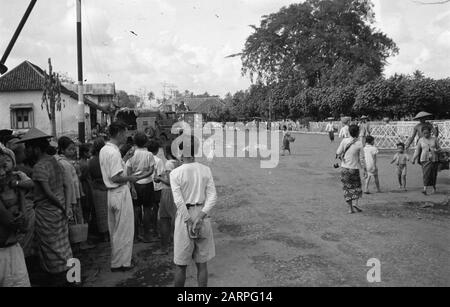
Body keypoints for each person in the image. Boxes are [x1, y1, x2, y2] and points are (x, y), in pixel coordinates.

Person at [100, 122, 148, 272]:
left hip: (112, 193)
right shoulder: (113, 152)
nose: (126, 136)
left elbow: (114, 170)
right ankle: (123, 263)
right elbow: (115, 177)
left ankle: (117, 261)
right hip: (119, 191)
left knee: (115, 229)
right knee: (124, 230)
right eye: (125, 132)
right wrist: (131, 178)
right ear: (120, 133)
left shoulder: (105, 150)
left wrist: (125, 157)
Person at [170, 135, 217, 287]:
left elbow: (179, 201)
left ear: (181, 151)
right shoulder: (205, 170)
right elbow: (212, 197)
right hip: (202, 215)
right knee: (202, 264)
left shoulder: (175, 173)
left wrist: (190, 221)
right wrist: (200, 217)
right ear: (196, 150)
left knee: (181, 265)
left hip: (185, 217)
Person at [25, 135, 73, 285]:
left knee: (53, 252)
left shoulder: (39, 167)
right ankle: (74, 278)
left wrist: (62, 206)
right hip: (58, 212)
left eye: (29, 149)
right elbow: (66, 185)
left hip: (48, 212)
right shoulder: (54, 161)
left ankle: (62, 281)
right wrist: (66, 207)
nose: (27, 152)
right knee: (65, 248)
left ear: (37, 149)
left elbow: (48, 193)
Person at [0, 147, 30, 287]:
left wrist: (20, 193)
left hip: (12, 249)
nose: (2, 172)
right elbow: (16, 223)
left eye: (3, 166)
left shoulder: (16, 179)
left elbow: (24, 226)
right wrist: (21, 193)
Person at [126, 132, 155, 243]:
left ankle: (135, 236)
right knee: (147, 210)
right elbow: (151, 171)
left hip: (135, 184)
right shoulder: (149, 154)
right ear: (146, 142)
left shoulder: (131, 154)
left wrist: (134, 181)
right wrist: (142, 176)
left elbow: (128, 171)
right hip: (147, 184)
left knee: (136, 210)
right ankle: (147, 235)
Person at [153, 144, 182, 255]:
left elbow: (170, 182)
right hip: (176, 193)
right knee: (174, 219)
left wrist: (159, 178)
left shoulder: (169, 164)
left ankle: (165, 247)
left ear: (166, 152)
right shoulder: (179, 162)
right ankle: (175, 246)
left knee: (164, 219)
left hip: (168, 192)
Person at [336, 125, 364, 214]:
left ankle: (350, 208)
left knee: (347, 189)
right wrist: (364, 168)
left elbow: (338, 152)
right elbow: (362, 158)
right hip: (354, 169)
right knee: (357, 187)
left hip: (344, 169)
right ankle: (355, 203)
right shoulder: (359, 143)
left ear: (349, 132)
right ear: (358, 132)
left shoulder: (344, 141)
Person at [88, 138, 109, 242]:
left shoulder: (91, 161)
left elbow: (90, 176)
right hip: (108, 188)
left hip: (96, 189)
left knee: (101, 213)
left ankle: (104, 235)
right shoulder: (106, 159)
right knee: (109, 212)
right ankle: (109, 234)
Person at [412, 126, 441, 195]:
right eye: (424, 133)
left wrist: (436, 150)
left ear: (430, 132)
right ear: (422, 133)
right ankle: (425, 189)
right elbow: (417, 150)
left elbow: (440, 148)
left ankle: (434, 188)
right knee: (426, 174)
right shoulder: (420, 140)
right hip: (424, 159)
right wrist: (413, 158)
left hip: (434, 159)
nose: (426, 135)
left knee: (433, 174)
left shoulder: (434, 139)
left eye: (427, 133)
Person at [148, 140, 164, 240]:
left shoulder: (146, 158)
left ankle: (152, 229)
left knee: (150, 209)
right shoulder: (158, 160)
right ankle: (157, 230)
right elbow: (160, 175)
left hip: (148, 186)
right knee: (158, 210)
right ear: (157, 150)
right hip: (157, 188)